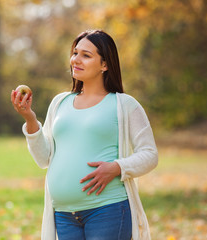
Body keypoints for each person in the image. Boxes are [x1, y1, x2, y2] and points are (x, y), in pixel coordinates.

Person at [10, 29, 158, 240]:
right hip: (63, 215)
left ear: (105, 65)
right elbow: (44, 159)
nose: (76, 60)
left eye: (86, 55)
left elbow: (150, 154)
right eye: (75, 53)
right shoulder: (60, 102)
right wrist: (30, 119)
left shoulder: (124, 105)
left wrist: (117, 167)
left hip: (107, 210)